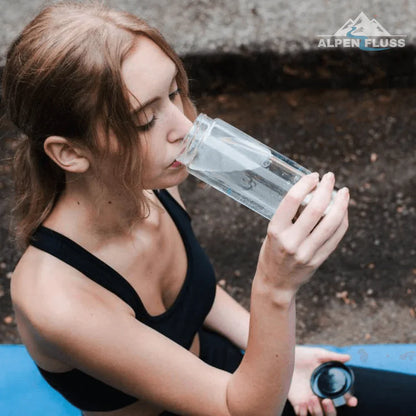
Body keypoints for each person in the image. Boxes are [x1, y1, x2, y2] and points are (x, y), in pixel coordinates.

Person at [3, 2, 415, 416]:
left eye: (174, 92)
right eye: (146, 120)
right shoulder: (57, 299)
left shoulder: (150, 187)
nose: (185, 127)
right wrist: (275, 290)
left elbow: (194, 294)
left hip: (229, 378)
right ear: (70, 152)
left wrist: (278, 361)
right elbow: (244, 411)